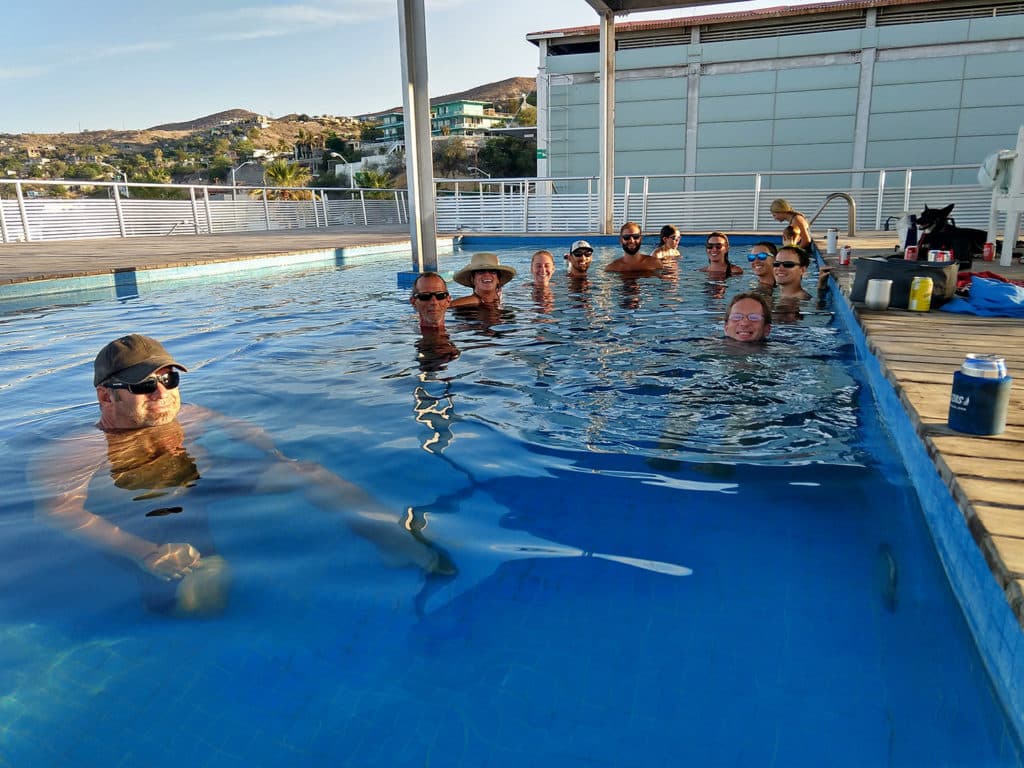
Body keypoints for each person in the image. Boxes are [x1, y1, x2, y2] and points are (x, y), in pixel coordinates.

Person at [30, 334, 452, 617]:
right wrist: (141, 551)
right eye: (144, 386)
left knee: (311, 473)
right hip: (148, 508)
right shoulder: (77, 450)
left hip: (207, 480)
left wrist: (271, 453)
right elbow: (59, 512)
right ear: (106, 395)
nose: (163, 393)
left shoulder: (187, 415)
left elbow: (238, 428)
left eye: (169, 378)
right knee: (203, 603)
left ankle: (391, 539)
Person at [410, 273, 459, 370]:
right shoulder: (401, 334)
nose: (434, 302)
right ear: (413, 302)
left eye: (440, 296)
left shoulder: (464, 329)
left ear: (448, 300)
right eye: (425, 296)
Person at [449, 252, 517, 308]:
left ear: (498, 279)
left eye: (492, 271)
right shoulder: (469, 302)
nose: (487, 275)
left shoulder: (499, 298)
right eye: (481, 271)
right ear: (473, 280)